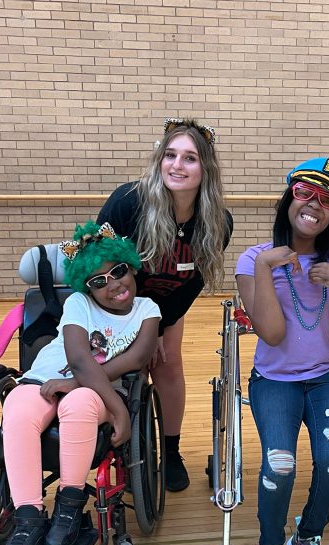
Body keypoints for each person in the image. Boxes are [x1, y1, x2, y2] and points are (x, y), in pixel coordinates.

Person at [229, 158, 329, 545]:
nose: (313, 204)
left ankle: (307, 536)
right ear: (290, 197)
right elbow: (272, 332)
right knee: (279, 462)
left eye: (326, 199)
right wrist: (266, 268)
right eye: (306, 192)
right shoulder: (252, 260)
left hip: (326, 379)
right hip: (275, 380)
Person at [0, 222, 161, 545]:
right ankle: (28, 517)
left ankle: (69, 506)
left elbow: (136, 357)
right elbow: (77, 357)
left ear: (129, 265)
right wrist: (113, 405)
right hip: (45, 377)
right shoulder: (78, 303)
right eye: (97, 281)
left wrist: (90, 390)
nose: (112, 284)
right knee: (17, 405)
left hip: (94, 391)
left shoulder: (148, 310)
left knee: (79, 403)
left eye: (117, 272)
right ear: (86, 287)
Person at [98, 118, 232, 493]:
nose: (177, 165)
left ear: (205, 169)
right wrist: (139, 327)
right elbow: (101, 265)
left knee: (169, 364)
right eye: (170, 155)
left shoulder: (218, 221)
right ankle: (124, 448)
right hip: (115, 304)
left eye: (189, 158)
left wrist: (160, 324)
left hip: (168, 305)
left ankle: (170, 451)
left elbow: (195, 282)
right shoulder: (127, 203)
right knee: (130, 370)